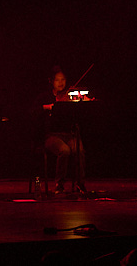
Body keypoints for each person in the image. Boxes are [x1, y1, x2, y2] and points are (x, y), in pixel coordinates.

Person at [30, 66, 86, 194]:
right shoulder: (44, 97)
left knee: (80, 150)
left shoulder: (68, 96)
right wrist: (46, 107)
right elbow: (32, 112)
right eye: (57, 80)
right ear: (51, 81)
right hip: (51, 136)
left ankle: (80, 184)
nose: (61, 83)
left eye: (63, 80)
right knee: (64, 150)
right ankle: (59, 184)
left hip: (69, 134)